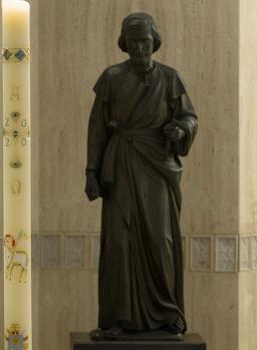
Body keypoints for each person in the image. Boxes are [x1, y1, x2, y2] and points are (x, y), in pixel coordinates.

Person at [85, 13, 198, 338]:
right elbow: (96, 129)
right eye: (133, 41)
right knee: (119, 242)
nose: (139, 48)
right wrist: (91, 171)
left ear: (154, 42)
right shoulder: (111, 78)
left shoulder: (170, 78)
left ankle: (167, 314)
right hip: (119, 167)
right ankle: (117, 318)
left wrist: (181, 129)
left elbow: (189, 117)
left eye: (144, 41)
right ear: (124, 43)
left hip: (158, 167)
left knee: (159, 239)